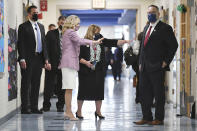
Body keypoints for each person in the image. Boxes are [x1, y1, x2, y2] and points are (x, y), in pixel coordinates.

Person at [134, 5, 178, 125]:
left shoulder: (165, 28)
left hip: (157, 66)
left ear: (158, 14)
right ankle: (146, 117)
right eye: (148, 12)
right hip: (144, 67)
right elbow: (143, 48)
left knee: (158, 94)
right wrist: (140, 63)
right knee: (144, 93)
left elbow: (173, 45)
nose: (150, 14)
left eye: (153, 12)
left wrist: (166, 61)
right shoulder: (146, 27)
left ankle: (159, 118)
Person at [76, 24, 130, 120]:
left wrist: (124, 41)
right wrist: (86, 63)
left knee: (99, 91)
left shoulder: (101, 41)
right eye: (97, 32)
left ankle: (98, 111)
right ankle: (79, 111)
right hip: (85, 70)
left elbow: (113, 42)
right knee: (83, 92)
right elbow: (78, 56)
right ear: (92, 31)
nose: (99, 34)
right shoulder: (82, 42)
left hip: (99, 70)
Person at [58, 15, 103, 121]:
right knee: (69, 89)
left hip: (69, 63)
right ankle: (68, 112)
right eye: (77, 23)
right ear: (72, 23)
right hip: (69, 63)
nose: (78, 25)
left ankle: (68, 111)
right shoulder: (70, 32)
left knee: (69, 88)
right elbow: (81, 41)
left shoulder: (67, 32)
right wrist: (95, 42)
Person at [17, 5, 51, 114]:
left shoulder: (41, 26)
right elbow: (20, 43)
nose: (36, 14)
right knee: (26, 84)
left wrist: (46, 59)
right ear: (29, 14)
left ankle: (34, 107)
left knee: (36, 83)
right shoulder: (23, 27)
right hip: (27, 59)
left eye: (37, 12)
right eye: (34, 12)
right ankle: (25, 108)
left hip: (39, 59)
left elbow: (44, 44)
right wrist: (22, 58)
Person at [41, 16, 66, 112]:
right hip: (51, 64)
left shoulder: (69, 35)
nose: (63, 23)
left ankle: (60, 105)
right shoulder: (51, 33)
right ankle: (46, 105)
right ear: (58, 22)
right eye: (61, 22)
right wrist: (47, 60)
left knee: (62, 87)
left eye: (64, 22)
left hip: (63, 65)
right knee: (48, 86)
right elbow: (45, 48)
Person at [131, 32, 143, 103]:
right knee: (141, 82)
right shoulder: (140, 44)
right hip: (139, 65)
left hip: (136, 65)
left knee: (139, 82)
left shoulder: (136, 43)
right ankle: (139, 98)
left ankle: (138, 98)